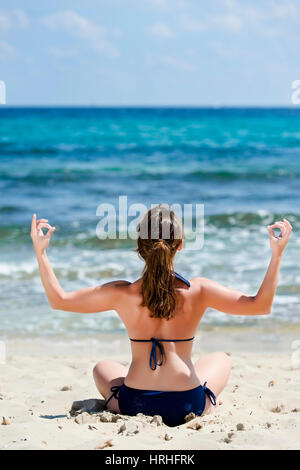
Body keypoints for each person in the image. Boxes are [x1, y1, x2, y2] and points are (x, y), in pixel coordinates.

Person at [30, 205, 292, 426]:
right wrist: (277, 254)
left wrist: (41, 253)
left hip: (135, 402)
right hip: (187, 402)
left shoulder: (122, 293)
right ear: (179, 245)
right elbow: (261, 306)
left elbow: (59, 300)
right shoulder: (198, 290)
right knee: (221, 359)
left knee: (102, 367)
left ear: (140, 247)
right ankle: (210, 402)